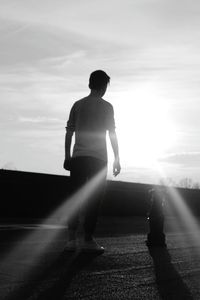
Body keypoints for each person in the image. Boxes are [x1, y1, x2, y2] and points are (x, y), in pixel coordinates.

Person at [63, 70, 121, 252]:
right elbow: (112, 134)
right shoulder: (107, 107)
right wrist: (117, 158)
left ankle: (71, 239)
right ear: (104, 87)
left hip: (79, 157)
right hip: (99, 159)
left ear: (89, 84)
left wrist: (67, 156)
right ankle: (88, 240)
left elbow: (69, 132)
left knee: (75, 197)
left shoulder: (77, 105)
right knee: (94, 199)